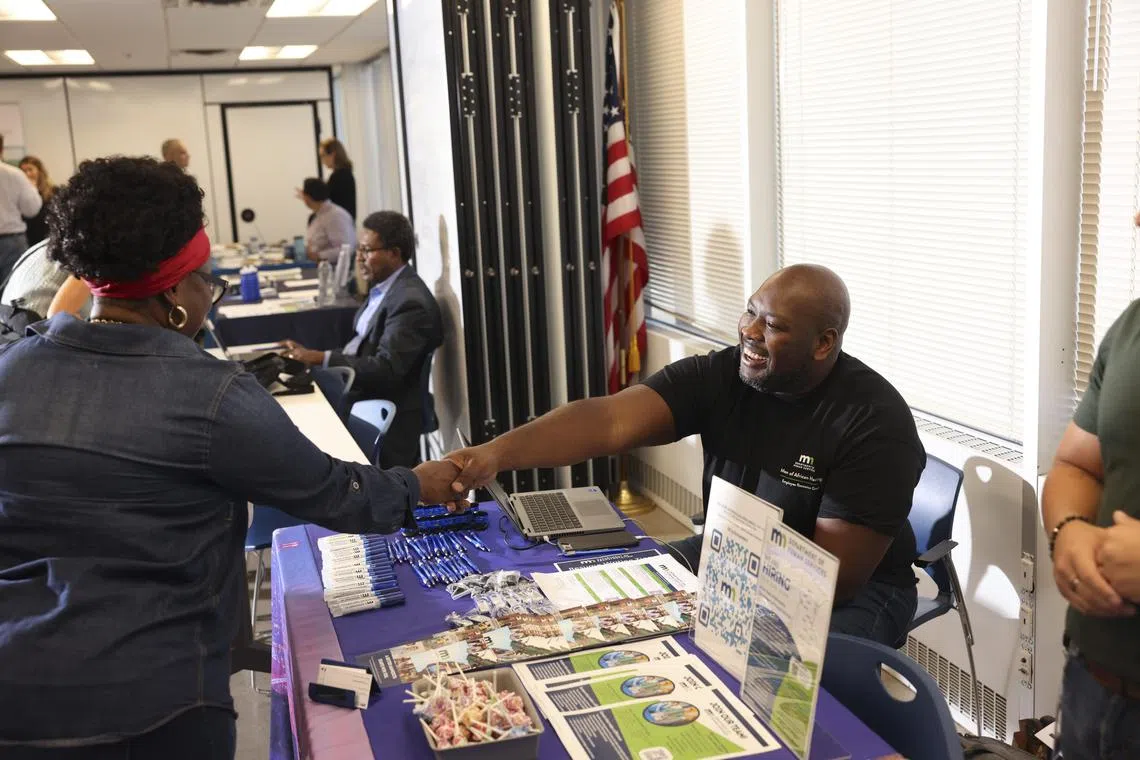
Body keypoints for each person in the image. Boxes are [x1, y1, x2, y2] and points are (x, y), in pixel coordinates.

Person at [0, 156, 462, 758]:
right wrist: (417, 484)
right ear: (173, 294)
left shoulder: (11, 371)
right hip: (154, 704)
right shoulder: (209, 395)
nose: (209, 296)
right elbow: (333, 492)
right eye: (206, 279)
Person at [445, 264, 927, 645]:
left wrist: (696, 609)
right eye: (750, 311)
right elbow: (608, 420)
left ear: (825, 343)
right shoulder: (725, 375)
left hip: (852, 593)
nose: (750, 331)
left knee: (773, 673)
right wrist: (495, 454)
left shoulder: (875, 424)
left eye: (773, 325)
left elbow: (827, 584)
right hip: (735, 550)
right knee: (612, 599)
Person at [1041, 297, 1140, 759]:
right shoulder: (1132, 327)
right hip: (1093, 685)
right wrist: (1069, 528)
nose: (1137, 219)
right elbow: (1077, 464)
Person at [283, 211, 443, 468]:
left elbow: (386, 369)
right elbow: (361, 348)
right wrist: (315, 355)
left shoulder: (410, 302)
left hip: (383, 409)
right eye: (359, 249)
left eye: (367, 250)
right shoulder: (385, 287)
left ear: (394, 253)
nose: (359, 258)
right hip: (359, 391)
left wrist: (321, 358)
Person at [0, 135, 43, 284]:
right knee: (15, 290)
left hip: (13, 241)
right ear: (1, 149)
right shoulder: (14, 174)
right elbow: (31, 209)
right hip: (11, 241)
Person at [299, 177, 355, 264]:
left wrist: (318, 256)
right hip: (320, 265)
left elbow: (345, 250)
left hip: (332, 269)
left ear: (307, 197)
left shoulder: (335, 216)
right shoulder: (319, 215)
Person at [18, 156, 53, 246]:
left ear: (39, 171)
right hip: (29, 239)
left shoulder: (52, 191)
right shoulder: (19, 194)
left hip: (48, 237)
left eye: (30, 169)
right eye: (23, 171)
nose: (27, 174)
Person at [320, 137, 357, 220]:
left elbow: (328, 203)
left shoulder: (339, 176)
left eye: (323, 155)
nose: (322, 160)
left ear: (333, 155)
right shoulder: (344, 173)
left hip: (340, 226)